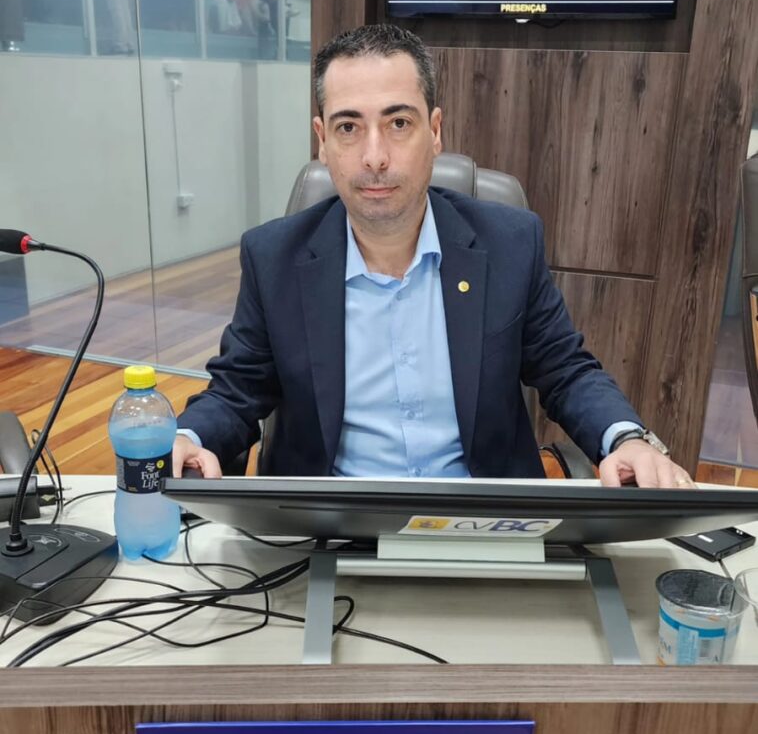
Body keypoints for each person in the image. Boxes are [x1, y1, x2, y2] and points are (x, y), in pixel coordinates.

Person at [173, 24, 693, 490]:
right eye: (348, 128)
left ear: (435, 131)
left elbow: (566, 371)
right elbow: (237, 391)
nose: (375, 157)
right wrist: (188, 437)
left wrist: (627, 439)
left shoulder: (509, 243)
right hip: (332, 521)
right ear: (322, 142)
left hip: (483, 520)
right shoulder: (274, 258)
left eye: (398, 123)